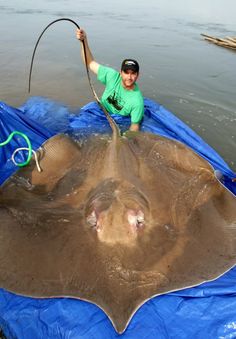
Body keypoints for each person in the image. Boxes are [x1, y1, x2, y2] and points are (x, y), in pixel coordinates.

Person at [76, 29, 144, 131]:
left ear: (137, 75)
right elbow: (90, 62)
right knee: (76, 125)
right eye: (126, 72)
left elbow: (134, 126)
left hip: (119, 120)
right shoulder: (112, 76)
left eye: (133, 73)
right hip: (101, 110)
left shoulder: (137, 102)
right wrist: (84, 41)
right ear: (121, 73)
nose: (129, 77)